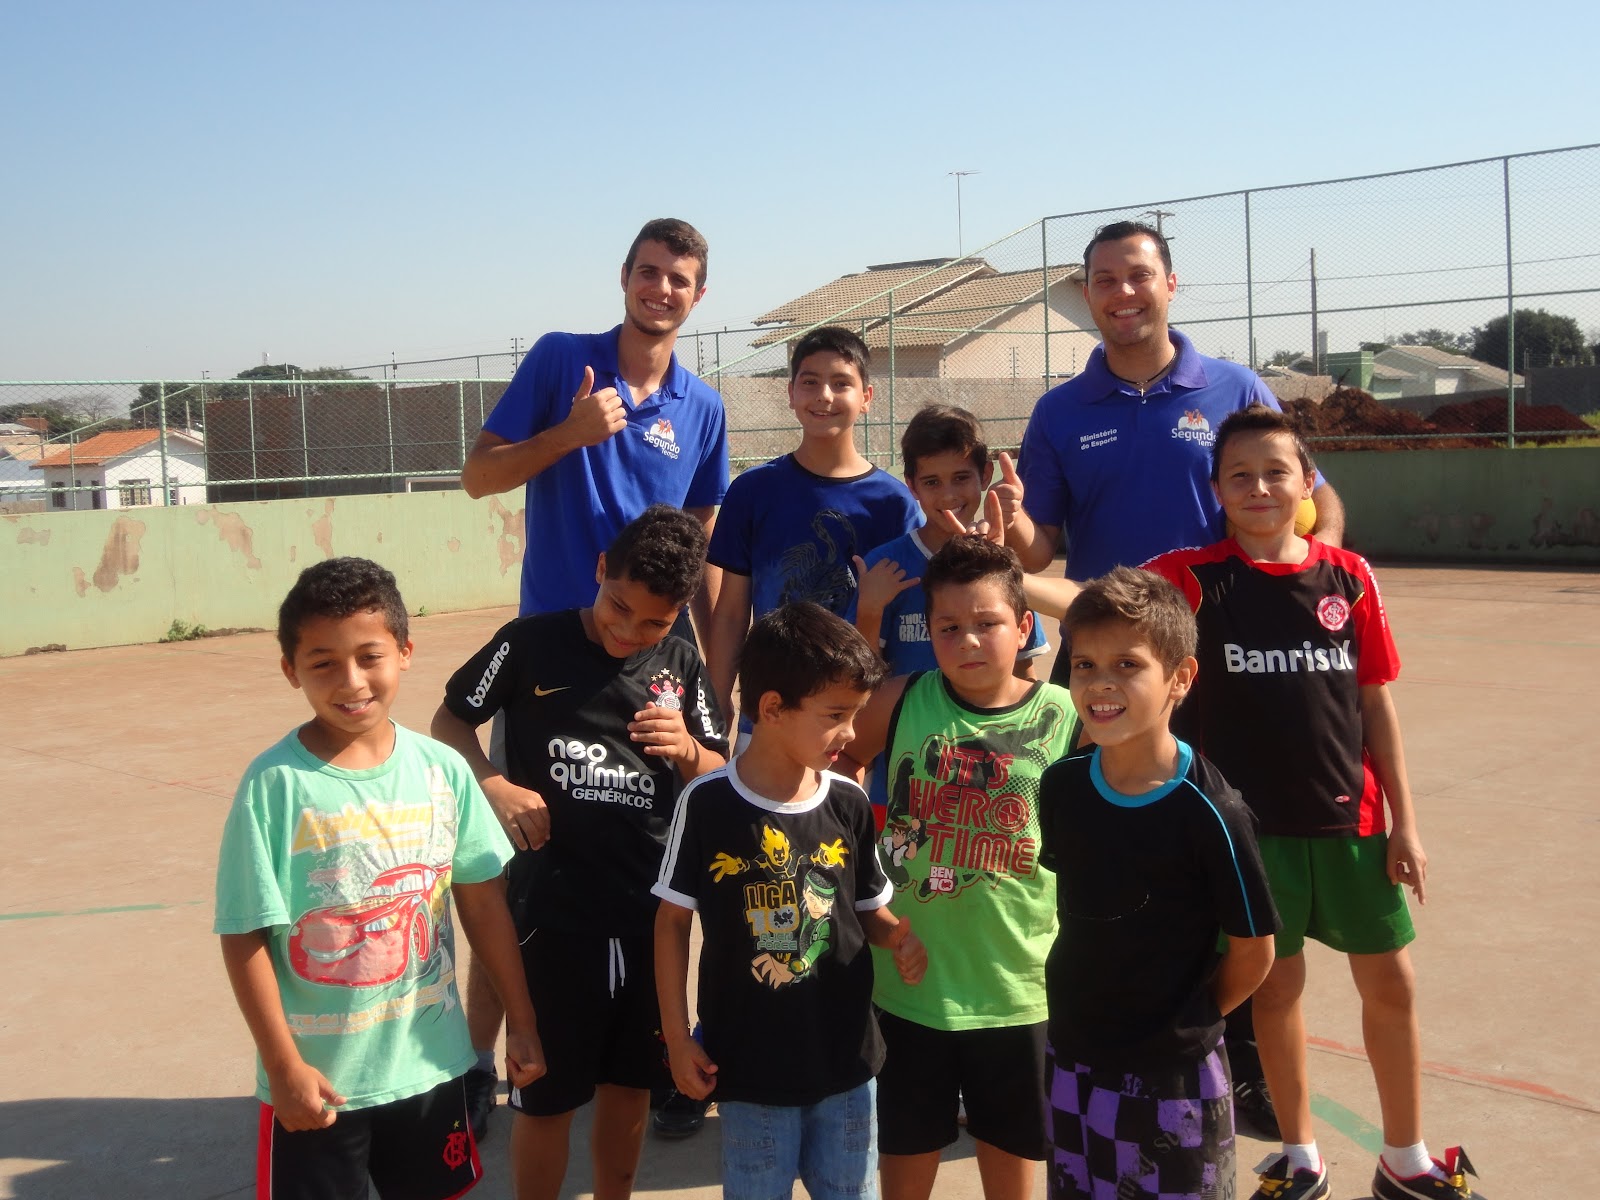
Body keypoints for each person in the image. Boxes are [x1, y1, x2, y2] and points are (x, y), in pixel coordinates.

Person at [1007, 218, 1341, 1130]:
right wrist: (1004, 530)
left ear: (1171, 284)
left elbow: (1312, 501)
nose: (1121, 293)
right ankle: (1101, 1040)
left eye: (1138, 276)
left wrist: (1315, 591)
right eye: (1103, 280)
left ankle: (1238, 1060)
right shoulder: (1061, 413)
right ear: (1088, 294)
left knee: (1226, 855)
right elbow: (1041, 541)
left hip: (1220, 674)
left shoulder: (1233, 386)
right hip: (1118, 680)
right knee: (1115, 864)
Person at [1140, 405, 1484, 1200]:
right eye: (1240, 475)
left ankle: (1405, 1156)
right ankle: (1300, 1156)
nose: (1259, 487)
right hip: (1249, 834)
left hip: (1352, 825)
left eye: (1276, 472)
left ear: (1304, 484)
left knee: (1391, 984)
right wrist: (1003, 572)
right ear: (1217, 489)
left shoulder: (1348, 576)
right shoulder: (1190, 576)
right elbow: (1094, 597)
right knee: (1277, 991)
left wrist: (1407, 823)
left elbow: (1376, 705)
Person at [457, 217, 729, 1134]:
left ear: (698, 295)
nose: (661, 289)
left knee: (653, 868)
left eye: (679, 279)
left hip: (653, 670)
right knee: (516, 865)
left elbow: (701, 546)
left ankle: (657, 1052)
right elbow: (478, 476)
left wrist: (696, 660)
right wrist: (569, 433)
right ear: (624, 278)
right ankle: (479, 1059)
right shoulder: (561, 361)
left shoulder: (704, 407)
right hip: (555, 665)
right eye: (648, 273)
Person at [215, 557, 544, 1200]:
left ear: (405, 651)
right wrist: (284, 1068)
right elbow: (244, 933)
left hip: (430, 1070)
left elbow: (483, 906)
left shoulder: (443, 771)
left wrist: (523, 1023)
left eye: (370, 656)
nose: (352, 680)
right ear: (291, 671)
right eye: (323, 663)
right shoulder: (274, 786)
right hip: (321, 1080)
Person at [431, 506, 729, 1200]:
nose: (628, 631)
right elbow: (450, 720)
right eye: (617, 606)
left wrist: (687, 749)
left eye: (651, 623)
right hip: (551, 914)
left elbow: (720, 773)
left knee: (628, 1089)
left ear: (679, 613)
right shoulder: (531, 643)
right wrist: (493, 784)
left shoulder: (682, 665)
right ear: (600, 570)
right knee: (545, 1095)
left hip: (646, 920)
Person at [654, 603, 928, 1200]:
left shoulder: (849, 801)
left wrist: (897, 938)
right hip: (749, 1068)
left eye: (855, 714)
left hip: (848, 1061)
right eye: (836, 715)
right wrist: (678, 1038)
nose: (853, 733)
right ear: (773, 709)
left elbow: (867, 911)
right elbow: (672, 924)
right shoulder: (707, 804)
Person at [841, 537, 1079, 1200]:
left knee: (1012, 1162)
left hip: (1019, 988)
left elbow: (1115, 613)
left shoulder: (1066, 716)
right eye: (948, 627)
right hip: (909, 985)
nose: (968, 640)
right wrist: (866, 883)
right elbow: (834, 769)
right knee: (906, 1159)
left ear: (1025, 625)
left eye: (987, 623)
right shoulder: (902, 699)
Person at [1038, 567, 1279, 1200]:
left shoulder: (1213, 812)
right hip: (1071, 1058)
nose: (1101, 683)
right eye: (1085, 664)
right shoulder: (1061, 786)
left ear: (1181, 678)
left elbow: (1253, 951)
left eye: (1127, 664)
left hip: (1171, 1079)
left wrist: (1183, 1021)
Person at [706, 325, 921, 737]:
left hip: (857, 724)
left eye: (841, 383)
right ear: (791, 394)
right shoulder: (753, 490)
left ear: (866, 399)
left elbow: (905, 620)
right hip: (770, 715)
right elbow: (732, 612)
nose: (824, 395)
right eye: (810, 382)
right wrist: (718, 703)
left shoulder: (894, 503)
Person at [851, 404, 1050, 678]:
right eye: (932, 482)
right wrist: (870, 610)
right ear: (911, 486)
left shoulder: (1001, 562)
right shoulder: (885, 567)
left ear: (985, 475)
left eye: (960, 478)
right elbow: (860, 679)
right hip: (905, 721)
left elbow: (1024, 670)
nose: (948, 495)